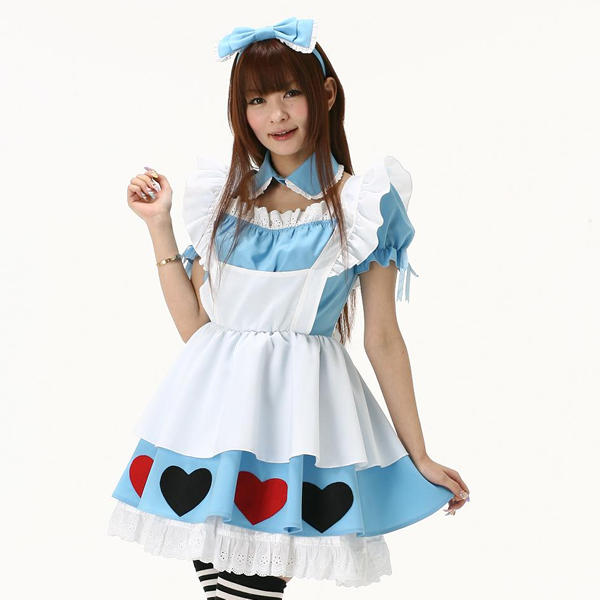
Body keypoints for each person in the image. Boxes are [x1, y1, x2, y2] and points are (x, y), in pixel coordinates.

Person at [108, 16, 470, 596]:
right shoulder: (222, 200)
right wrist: (159, 226)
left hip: (297, 429)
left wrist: (418, 454)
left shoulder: (364, 204)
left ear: (325, 93)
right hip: (213, 424)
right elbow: (198, 329)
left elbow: (382, 338)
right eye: (257, 100)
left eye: (290, 93)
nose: (275, 115)